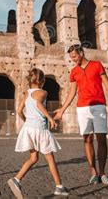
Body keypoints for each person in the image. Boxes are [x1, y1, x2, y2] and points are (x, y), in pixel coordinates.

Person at [54, 44, 108, 186]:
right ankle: (93, 172)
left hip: (99, 106)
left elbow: (107, 84)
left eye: (75, 56)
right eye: (71, 58)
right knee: (87, 139)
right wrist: (62, 109)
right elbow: (72, 93)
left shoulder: (97, 65)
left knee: (101, 139)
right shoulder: (73, 72)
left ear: (82, 53)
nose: (73, 60)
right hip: (82, 108)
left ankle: (102, 173)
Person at [7, 68, 70, 198]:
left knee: (34, 158)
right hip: (40, 130)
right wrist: (50, 118)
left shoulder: (27, 93)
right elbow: (38, 104)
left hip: (29, 129)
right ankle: (59, 187)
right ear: (43, 80)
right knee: (50, 158)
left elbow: (19, 111)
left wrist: (28, 121)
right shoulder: (43, 92)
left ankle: (16, 179)